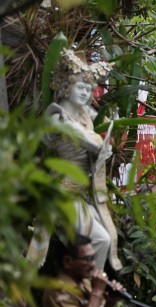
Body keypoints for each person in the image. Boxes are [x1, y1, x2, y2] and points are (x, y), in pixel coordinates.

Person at [34, 49, 120, 272]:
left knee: (103, 240)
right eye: (80, 87)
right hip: (62, 190)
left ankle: (90, 290)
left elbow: (107, 129)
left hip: (82, 191)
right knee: (89, 241)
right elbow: (86, 140)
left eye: (88, 89)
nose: (85, 93)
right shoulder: (57, 116)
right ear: (66, 87)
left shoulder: (84, 114)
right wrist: (103, 145)